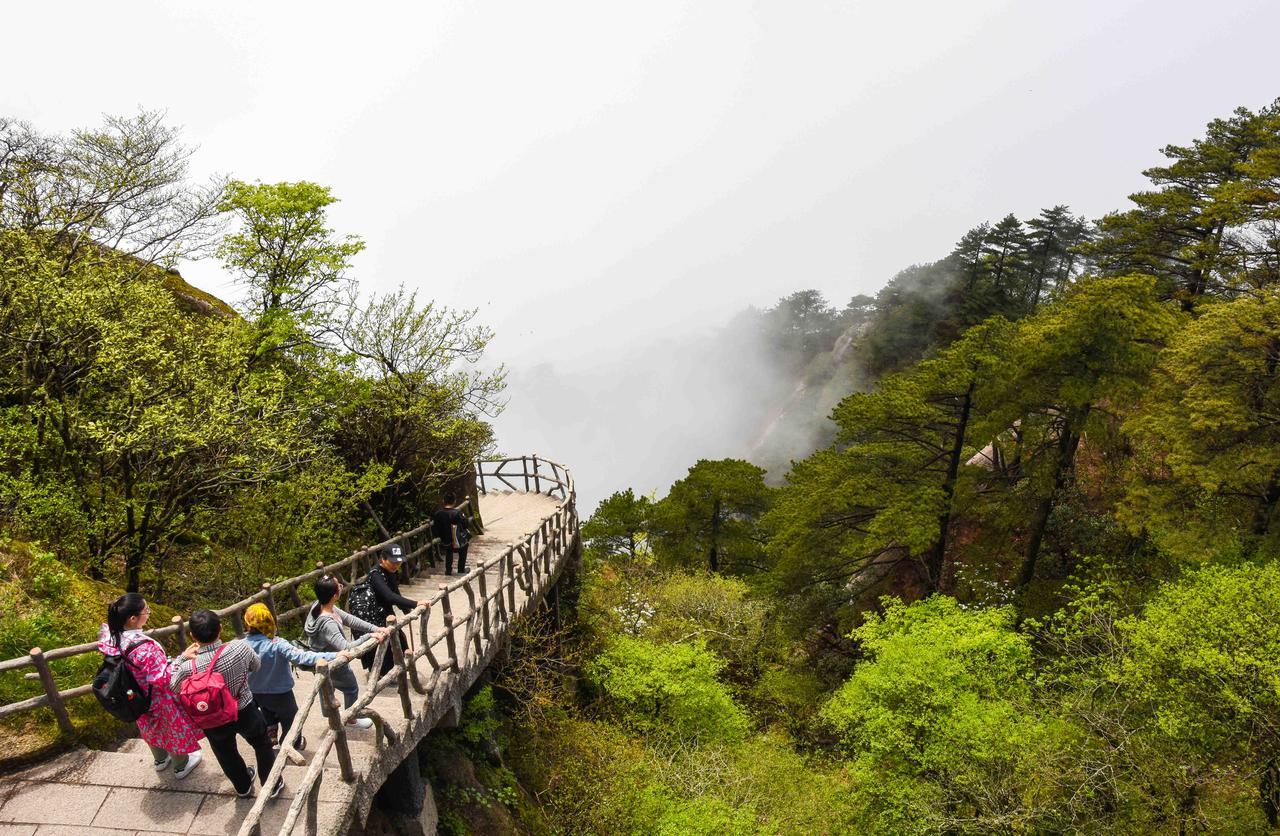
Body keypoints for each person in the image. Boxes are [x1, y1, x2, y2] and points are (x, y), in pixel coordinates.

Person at [170, 609, 280, 799]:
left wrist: (182, 658)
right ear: (220, 628)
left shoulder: (189, 666)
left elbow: (174, 687)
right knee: (262, 743)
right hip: (244, 708)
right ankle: (271, 784)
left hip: (212, 717)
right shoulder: (239, 648)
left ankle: (243, 786)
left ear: (192, 636)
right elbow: (256, 665)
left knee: (226, 753)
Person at [96, 594, 204, 779]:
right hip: (156, 696)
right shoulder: (144, 648)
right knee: (170, 728)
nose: (148, 613)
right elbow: (163, 678)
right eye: (146, 610)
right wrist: (183, 657)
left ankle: (160, 760)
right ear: (132, 618)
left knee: (148, 727)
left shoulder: (110, 637)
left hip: (132, 692)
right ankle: (181, 765)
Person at [243, 603, 337, 754]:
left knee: (266, 711)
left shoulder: (241, 646)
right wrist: (335, 655)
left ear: (248, 624)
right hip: (280, 692)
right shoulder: (277, 644)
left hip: (255, 691)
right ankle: (292, 744)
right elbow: (303, 656)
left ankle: (271, 736)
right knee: (291, 718)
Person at [302, 576, 389, 729]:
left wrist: (374, 628)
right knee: (351, 688)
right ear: (334, 595)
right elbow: (346, 648)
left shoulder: (319, 605)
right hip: (334, 660)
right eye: (339, 586)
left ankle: (329, 713)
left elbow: (349, 619)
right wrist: (369, 636)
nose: (342, 586)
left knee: (327, 685)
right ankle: (351, 719)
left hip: (322, 659)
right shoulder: (328, 623)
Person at [361, 544, 424, 678]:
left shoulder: (391, 572)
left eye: (399, 562)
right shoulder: (376, 575)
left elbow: (395, 593)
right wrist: (415, 603)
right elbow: (389, 596)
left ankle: (397, 670)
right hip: (374, 616)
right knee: (384, 645)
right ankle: (380, 675)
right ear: (382, 559)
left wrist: (407, 610)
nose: (396, 565)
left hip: (386, 614)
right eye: (393, 562)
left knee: (400, 639)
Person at [432, 492, 470, 575]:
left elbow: (434, 528)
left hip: (444, 541)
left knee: (449, 550)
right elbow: (466, 524)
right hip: (456, 541)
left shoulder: (437, 514)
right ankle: (461, 569)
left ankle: (448, 570)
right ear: (454, 501)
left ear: (443, 501)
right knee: (465, 545)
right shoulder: (457, 513)